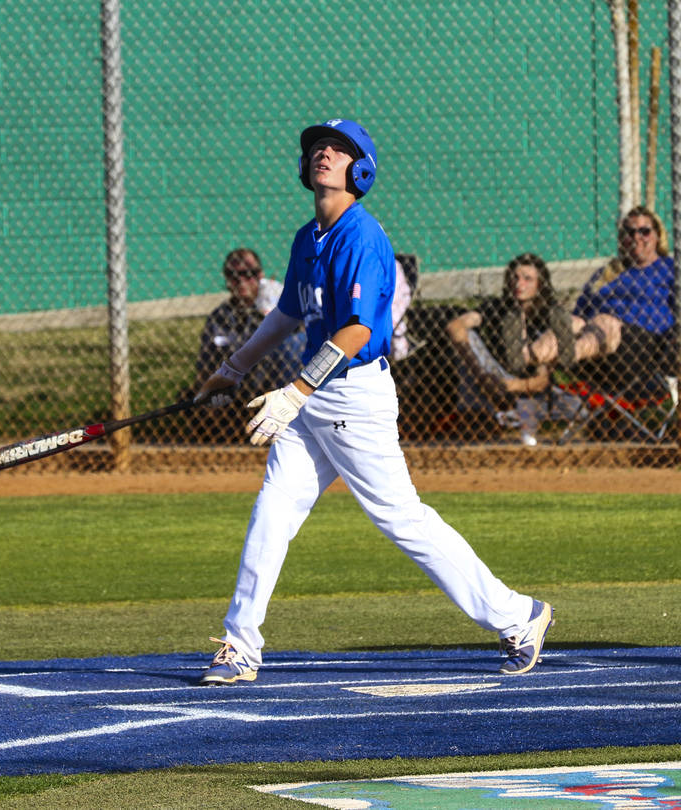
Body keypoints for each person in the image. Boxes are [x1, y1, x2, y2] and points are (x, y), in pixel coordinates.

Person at [193, 117, 554, 684]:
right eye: (317, 147)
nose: (323, 155)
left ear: (360, 169)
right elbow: (288, 314)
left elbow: (358, 330)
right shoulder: (306, 238)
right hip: (312, 399)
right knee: (273, 509)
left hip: (353, 396)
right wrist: (232, 367)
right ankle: (241, 644)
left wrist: (295, 390)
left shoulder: (362, 236)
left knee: (401, 519)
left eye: (337, 149)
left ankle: (518, 615)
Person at [446, 253, 578, 445]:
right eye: (515, 278)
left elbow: (543, 380)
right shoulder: (498, 307)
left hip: (535, 388)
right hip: (494, 375)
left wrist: (508, 387)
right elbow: (455, 326)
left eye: (527, 279)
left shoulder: (549, 313)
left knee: (576, 410)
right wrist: (481, 374)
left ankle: (511, 415)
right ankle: (482, 418)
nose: (519, 284)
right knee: (467, 336)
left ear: (540, 284)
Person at [567, 206, 681, 380]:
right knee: (569, 323)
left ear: (658, 236)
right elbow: (579, 313)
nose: (636, 237)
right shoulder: (607, 272)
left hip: (645, 352)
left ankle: (569, 353)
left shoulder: (674, 271)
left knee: (606, 322)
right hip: (595, 351)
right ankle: (528, 356)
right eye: (629, 232)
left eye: (644, 231)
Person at [189, 248, 300, 441]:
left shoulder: (279, 307)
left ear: (260, 276)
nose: (240, 281)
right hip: (235, 391)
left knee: (291, 344)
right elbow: (205, 365)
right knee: (191, 398)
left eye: (247, 274)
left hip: (274, 386)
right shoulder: (219, 318)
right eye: (233, 275)